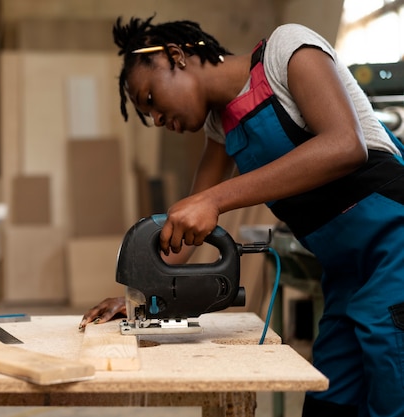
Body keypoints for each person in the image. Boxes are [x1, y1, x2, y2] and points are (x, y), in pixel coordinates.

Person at [78, 15, 404, 417]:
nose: (158, 119)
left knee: (392, 386)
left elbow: (345, 145)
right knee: (329, 399)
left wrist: (214, 201)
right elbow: (183, 227)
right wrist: (137, 297)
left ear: (176, 56)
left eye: (149, 99)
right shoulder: (221, 128)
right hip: (346, 271)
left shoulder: (286, 51)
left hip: (396, 245)